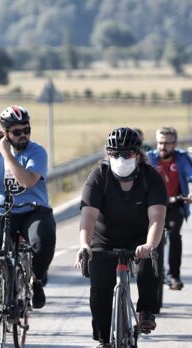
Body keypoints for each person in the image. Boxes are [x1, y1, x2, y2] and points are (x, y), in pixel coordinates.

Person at [0, 105, 57, 334]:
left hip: (32, 209)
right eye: (17, 132)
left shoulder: (37, 151)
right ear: (6, 133)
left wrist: (7, 154)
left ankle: (36, 281)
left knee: (43, 239)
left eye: (26, 130)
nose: (23, 135)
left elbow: (27, 181)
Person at [76, 127, 166, 347]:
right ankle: (103, 339)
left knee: (151, 260)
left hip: (140, 238)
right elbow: (88, 215)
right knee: (99, 290)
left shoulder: (150, 177)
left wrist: (150, 243)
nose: (121, 158)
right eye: (115, 153)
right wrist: (84, 246)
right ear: (108, 153)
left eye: (127, 154)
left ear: (138, 154)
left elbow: (157, 216)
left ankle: (146, 311)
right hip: (105, 240)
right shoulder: (99, 176)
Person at [146, 126, 192, 290]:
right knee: (149, 237)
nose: (163, 147)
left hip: (175, 203)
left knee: (174, 234)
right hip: (153, 205)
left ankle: (174, 276)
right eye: (160, 143)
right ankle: (148, 271)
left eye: (167, 143)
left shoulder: (182, 158)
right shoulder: (149, 158)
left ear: (175, 143)